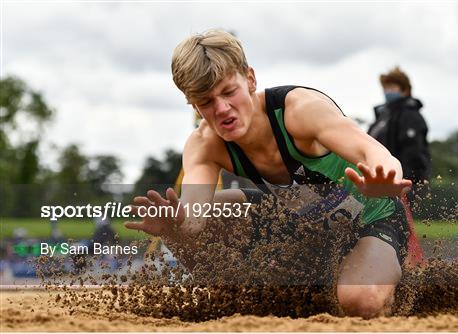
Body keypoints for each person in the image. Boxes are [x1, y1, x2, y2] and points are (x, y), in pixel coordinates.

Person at [125, 30, 414, 318]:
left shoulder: (300, 110)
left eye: (228, 92)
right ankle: (239, 300)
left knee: (360, 301)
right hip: (301, 227)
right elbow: (194, 218)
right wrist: (176, 226)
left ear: (250, 79)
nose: (222, 109)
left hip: (371, 217)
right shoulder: (204, 145)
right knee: (188, 226)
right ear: (193, 104)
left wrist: (383, 180)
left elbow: (374, 152)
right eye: (206, 101)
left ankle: (381, 275)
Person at [368, 67, 431, 207]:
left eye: (392, 87)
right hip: (378, 183)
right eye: (385, 87)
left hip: (399, 184)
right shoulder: (382, 116)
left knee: (399, 226)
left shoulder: (410, 116)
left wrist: (406, 184)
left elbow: (414, 154)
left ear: (405, 90)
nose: (387, 91)